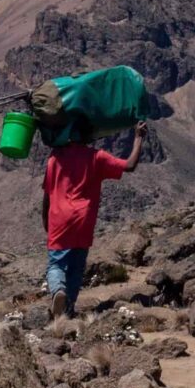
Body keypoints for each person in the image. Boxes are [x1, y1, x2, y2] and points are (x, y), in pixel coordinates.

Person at [42, 121, 148, 318]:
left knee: (56, 264)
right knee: (77, 267)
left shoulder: (55, 158)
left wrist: (45, 221)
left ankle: (58, 291)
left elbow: (47, 196)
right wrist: (138, 137)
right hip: (84, 220)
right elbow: (129, 165)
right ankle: (68, 311)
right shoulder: (96, 157)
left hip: (59, 220)